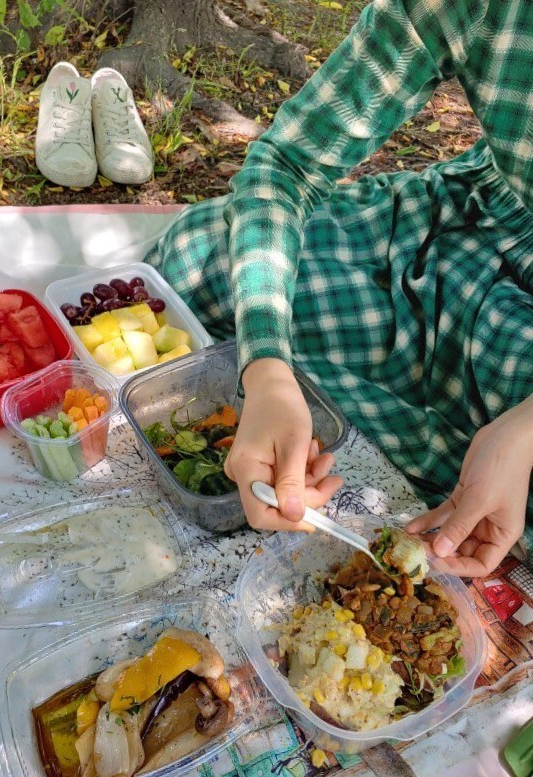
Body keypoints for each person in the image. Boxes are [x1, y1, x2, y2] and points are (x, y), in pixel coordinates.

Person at [145, 0, 533, 577]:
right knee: (197, 258)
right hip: (473, 228)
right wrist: (267, 368)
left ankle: (453, 453)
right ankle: (416, 441)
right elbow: (287, 165)